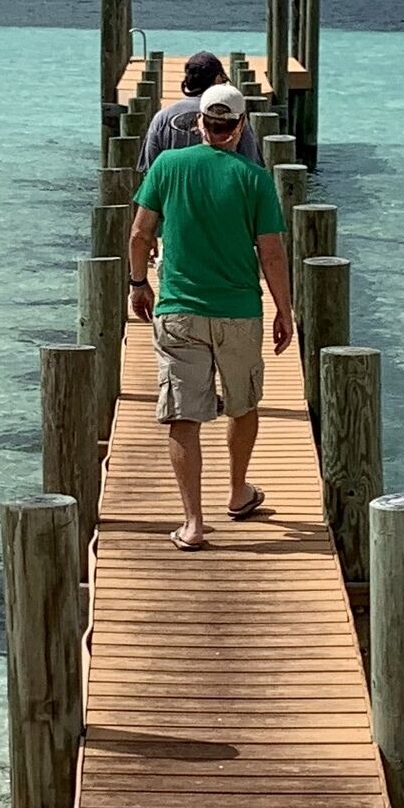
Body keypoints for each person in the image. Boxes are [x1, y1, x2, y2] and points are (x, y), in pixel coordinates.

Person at [125, 83, 293, 550]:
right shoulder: (255, 178)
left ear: (199, 123)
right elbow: (272, 253)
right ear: (241, 127)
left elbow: (140, 234)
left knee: (183, 415)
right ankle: (238, 490)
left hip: (178, 308)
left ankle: (193, 522)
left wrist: (139, 284)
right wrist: (284, 308)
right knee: (243, 403)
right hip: (239, 310)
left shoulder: (167, 165)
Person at [141, 50, 263, 165]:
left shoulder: (162, 117)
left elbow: (150, 167)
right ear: (218, 79)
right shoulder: (234, 118)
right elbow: (251, 161)